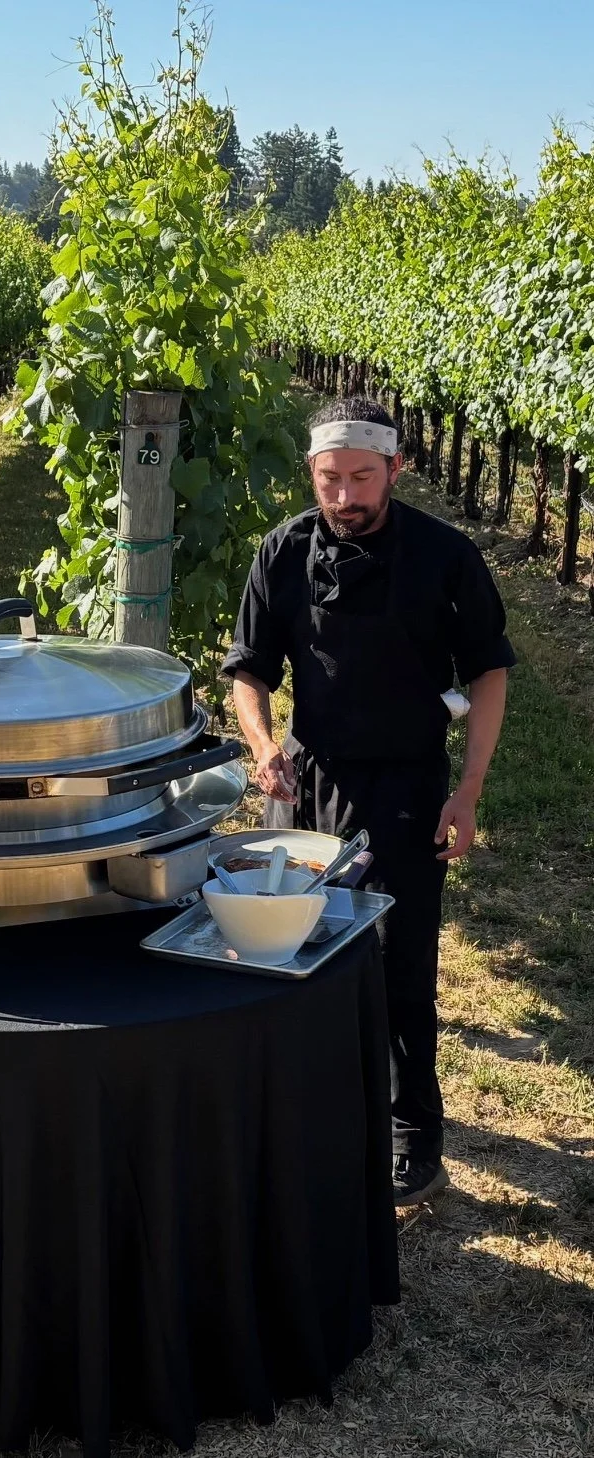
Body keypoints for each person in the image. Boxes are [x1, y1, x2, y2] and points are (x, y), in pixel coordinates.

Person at [223, 396, 514, 1206]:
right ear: (311, 474)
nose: (344, 495)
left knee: (397, 962)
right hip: (307, 778)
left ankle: (411, 1128)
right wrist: (261, 745)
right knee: (282, 945)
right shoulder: (282, 551)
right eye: (328, 479)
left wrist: (467, 789)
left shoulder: (444, 556)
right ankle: (303, 1107)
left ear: (394, 467)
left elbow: (486, 671)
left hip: (407, 781)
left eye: (360, 477)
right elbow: (249, 668)